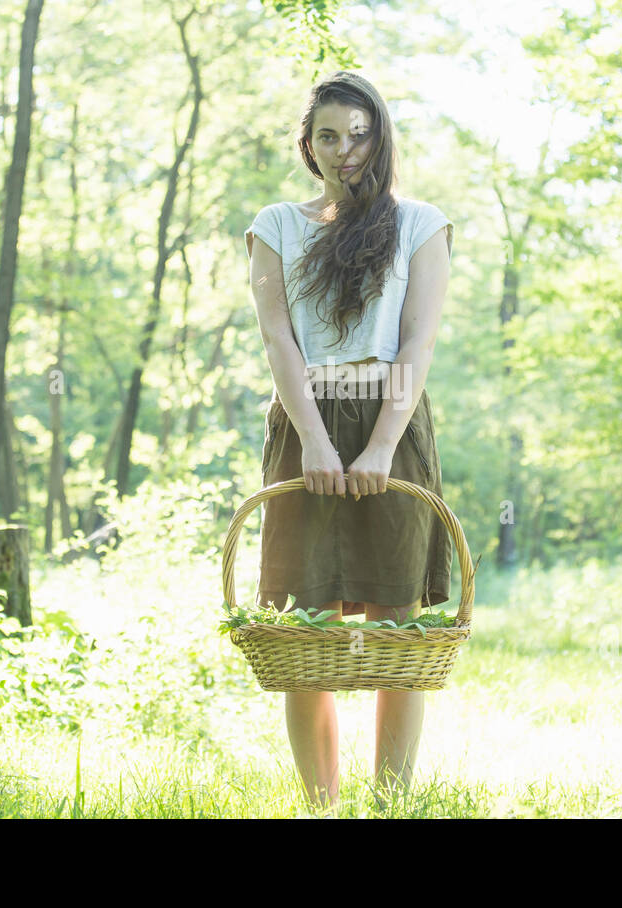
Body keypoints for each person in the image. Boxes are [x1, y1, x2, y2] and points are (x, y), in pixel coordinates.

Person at [244, 70, 454, 812]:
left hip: (392, 422)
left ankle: (392, 805)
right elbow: (278, 338)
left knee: (398, 626)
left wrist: (380, 446)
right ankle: (322, 808)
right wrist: (315, 441)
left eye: (359, 134)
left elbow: (418, 344)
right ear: (309, 145)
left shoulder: (422, 223)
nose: (346, 149)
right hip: (305, 424)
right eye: (329, 136)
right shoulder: (276, 224)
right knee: (306, 630)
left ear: (380, 137)